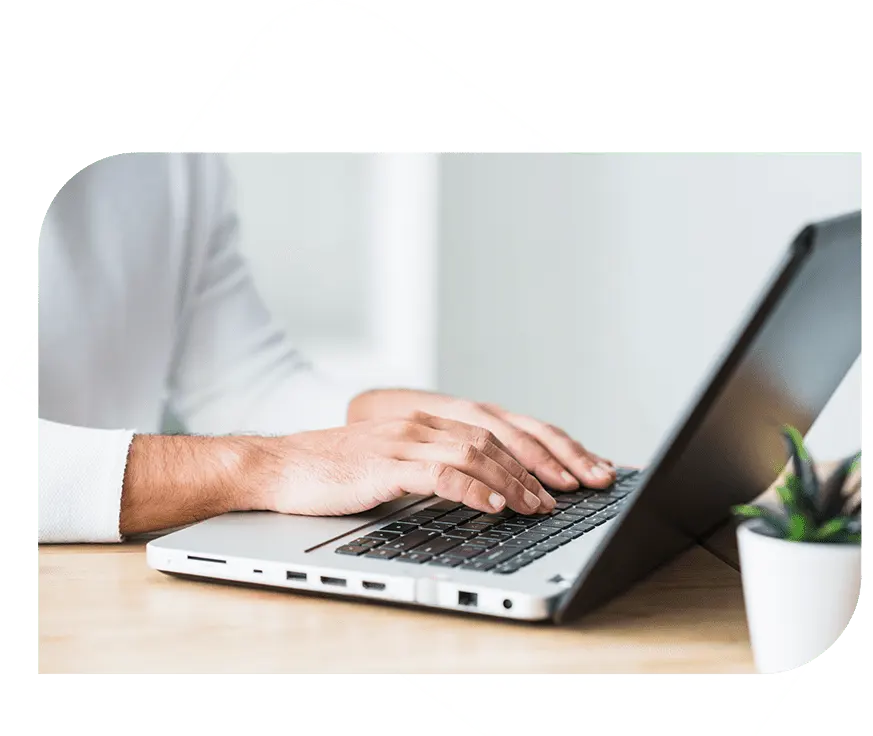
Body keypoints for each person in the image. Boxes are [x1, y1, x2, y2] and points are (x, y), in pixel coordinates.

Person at [38, 153, 616, 544]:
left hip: (110, 591)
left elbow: (244, 384)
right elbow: (267, 456)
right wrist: (260, 466)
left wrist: (415, 426)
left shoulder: (167, 160)